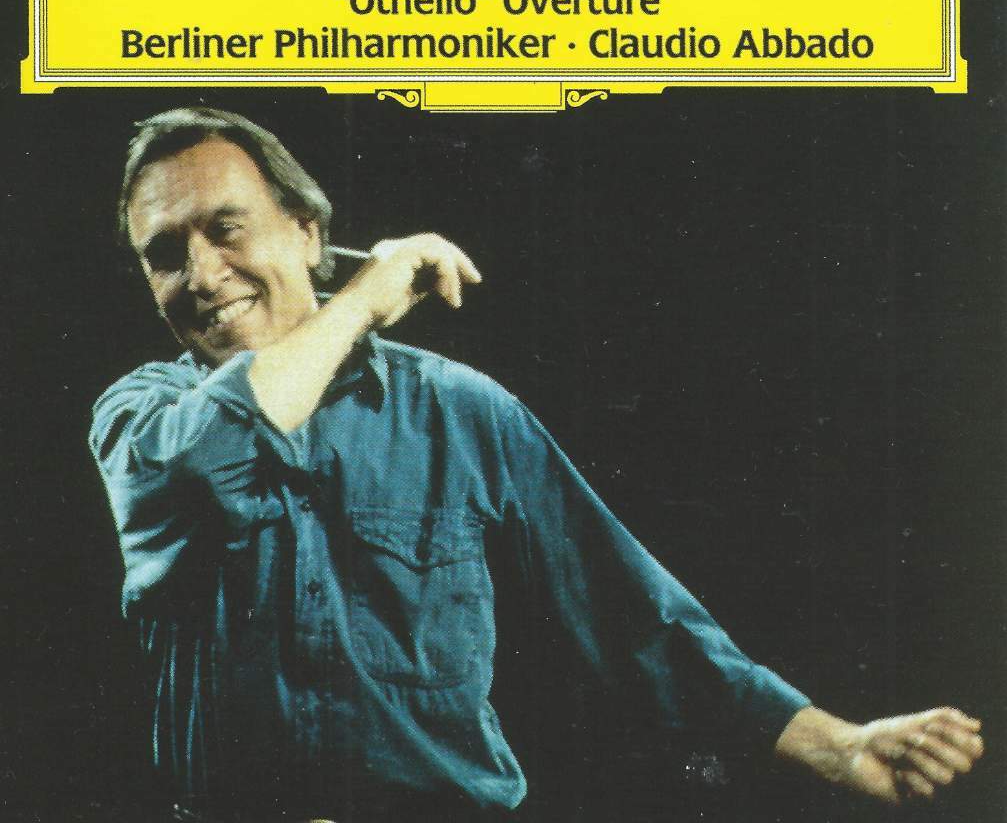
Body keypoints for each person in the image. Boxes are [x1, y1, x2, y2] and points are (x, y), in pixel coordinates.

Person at [90, 108, 983, 823]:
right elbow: (208, 462)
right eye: (165, 255)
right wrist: (360, 300)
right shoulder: (140, 418)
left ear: (308, 234)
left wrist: (839, 746)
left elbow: (631, 612)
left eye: (226, 230)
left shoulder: (461, 410)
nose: (200, 273)